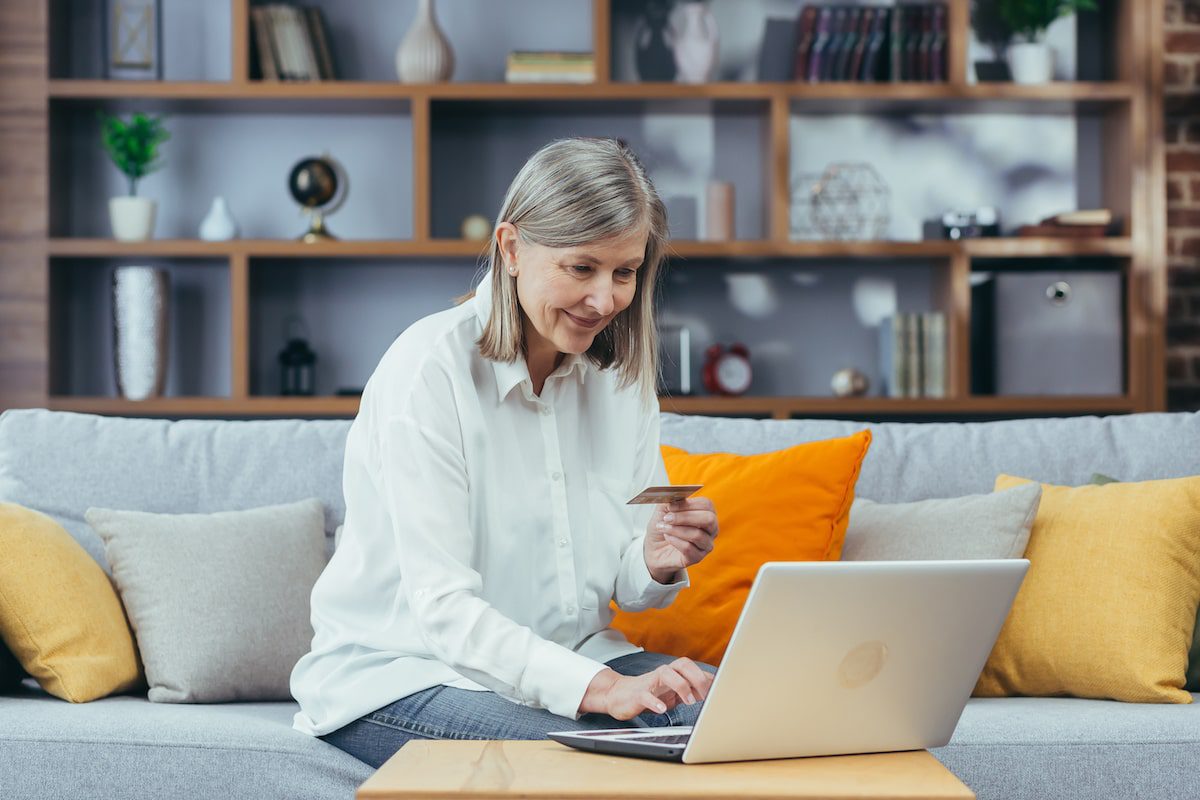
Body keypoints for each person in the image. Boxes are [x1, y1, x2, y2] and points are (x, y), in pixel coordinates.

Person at [290, 137, 720, 769]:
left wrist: (655, 560)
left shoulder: (619, 379)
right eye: (582, 268)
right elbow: (444, 612)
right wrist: (603, 691)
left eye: (624, 272)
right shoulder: (429, 370)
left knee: (731, 715)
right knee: (605, 754)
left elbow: (627, 583)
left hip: (576, 656)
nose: (605, 300)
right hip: (406, 674)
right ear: (512, 248)